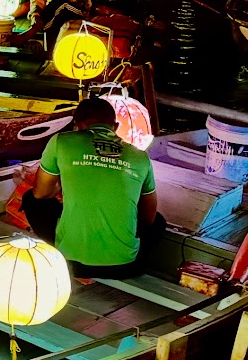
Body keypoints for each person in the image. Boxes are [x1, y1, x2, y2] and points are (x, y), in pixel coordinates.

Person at [21, 96, 160, 278]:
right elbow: (148, 218)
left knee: (31, 200)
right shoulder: (140, 157)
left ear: (77, 125)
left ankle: (59, 245)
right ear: (116, 126)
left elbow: (41, 193)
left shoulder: (61, 141)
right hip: (126, 267)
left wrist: (61, 188)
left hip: (69, 263)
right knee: (159, 221)